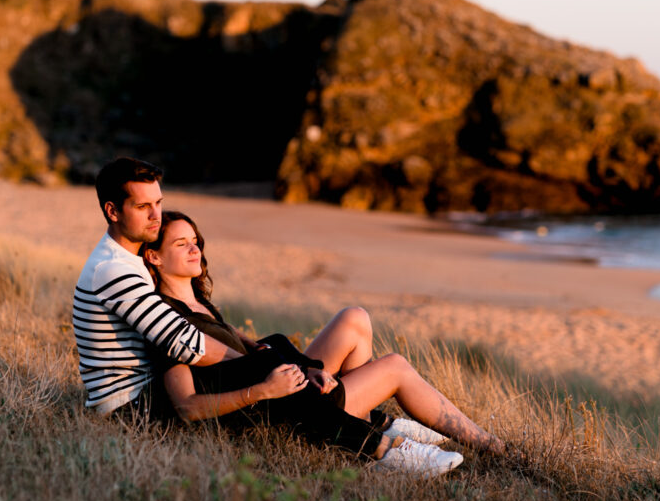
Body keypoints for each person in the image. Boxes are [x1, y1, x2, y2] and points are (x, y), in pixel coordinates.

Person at [73, 157, 463, 475]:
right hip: (131, 407)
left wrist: (269, 356)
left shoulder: (128, 261)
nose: (155, 215)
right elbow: (181, 342)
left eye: (157, 203)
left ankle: (375, 425)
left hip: (144, 391)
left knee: (271, 347)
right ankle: (380, 445)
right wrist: (263, 368)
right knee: (266, 363)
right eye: (143, 207)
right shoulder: (114, 270)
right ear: (112, 210)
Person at [141, 210, 505, 458]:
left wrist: (301, 364)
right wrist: (264, 386)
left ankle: (360, 416)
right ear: (154, 258)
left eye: (195, 240)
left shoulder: (200, 302)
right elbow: (186, 404)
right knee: (395, 366)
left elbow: (243, 348)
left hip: (286, 383)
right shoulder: (167, 322)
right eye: (180, 244)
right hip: (275, 406)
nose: (195, 249)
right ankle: (489, 445)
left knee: (354, 318)